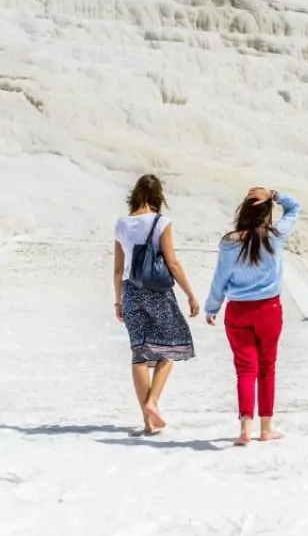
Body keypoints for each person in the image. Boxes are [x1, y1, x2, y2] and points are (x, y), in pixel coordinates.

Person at [204, 187, 301, 447]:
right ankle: (266, 429)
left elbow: (220, 277)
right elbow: (295, 208)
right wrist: (275, 195)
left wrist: (212, 307)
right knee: (267, 368)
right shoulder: (274, 236)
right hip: (268, 310)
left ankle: (245, 428)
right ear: (267, 212)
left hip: (238, 310)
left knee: (245, 369)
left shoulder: (229, 241)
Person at [113, 174, 200, 436]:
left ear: (135, 194)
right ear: (158, 196)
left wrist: (118, 301)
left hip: (130, 291)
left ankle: (148, 422)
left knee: (139, 354)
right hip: (158, 292)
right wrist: (190, 294)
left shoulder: (122, 224)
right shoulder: (162, 222)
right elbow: (172, 262)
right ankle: (153, 402)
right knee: (171, 347)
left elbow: (118, 269)